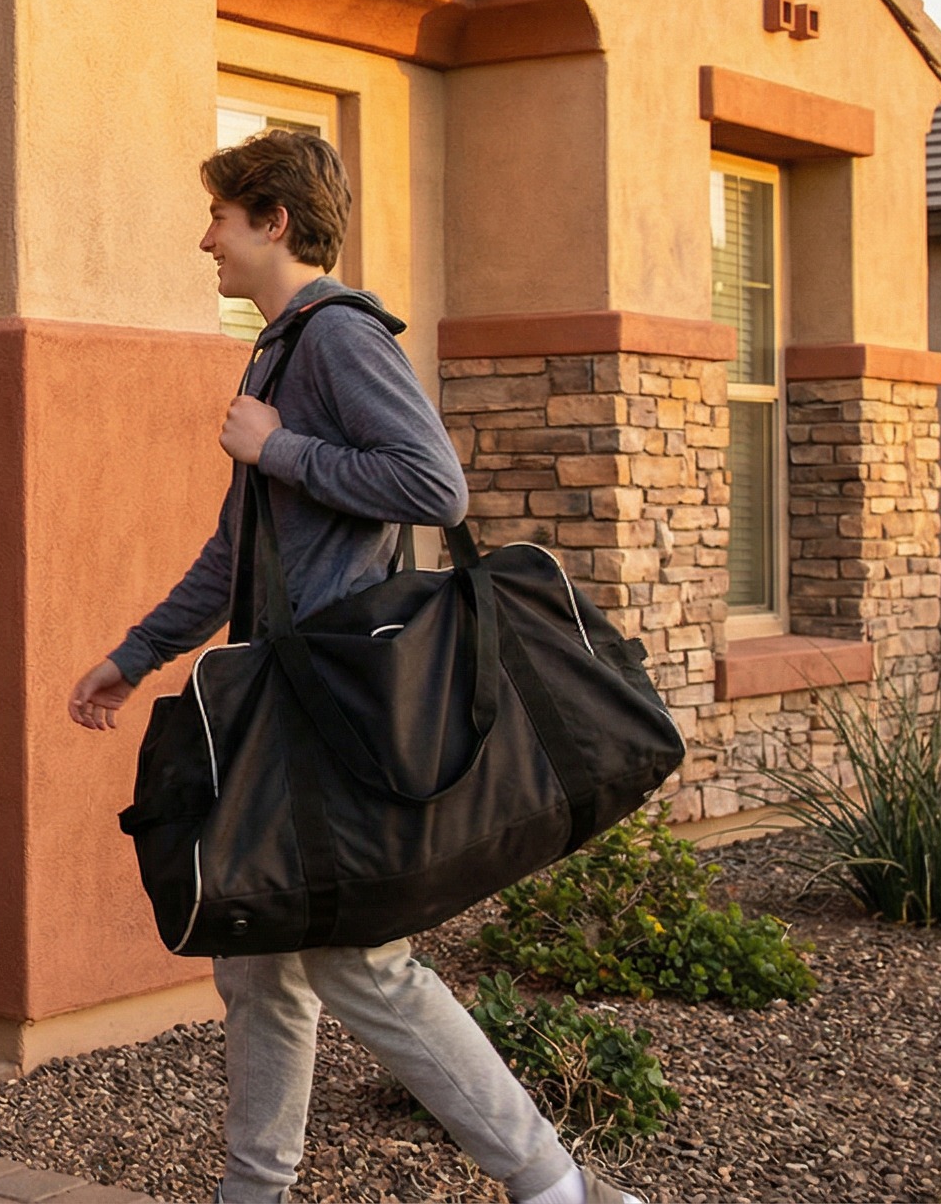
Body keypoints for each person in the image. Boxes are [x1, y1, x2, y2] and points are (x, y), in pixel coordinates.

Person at [68, 130, 639, 1204]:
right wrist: (133, 656)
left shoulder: (333, 335)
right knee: (261, 963)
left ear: (274, 220)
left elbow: (436, 486)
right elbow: (240, 551)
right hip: (291, 700)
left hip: (340, 700)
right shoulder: (277, 352)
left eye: (222, 220)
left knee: (357, 960)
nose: (207, 242)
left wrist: (276, 448)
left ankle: (556, 1188)